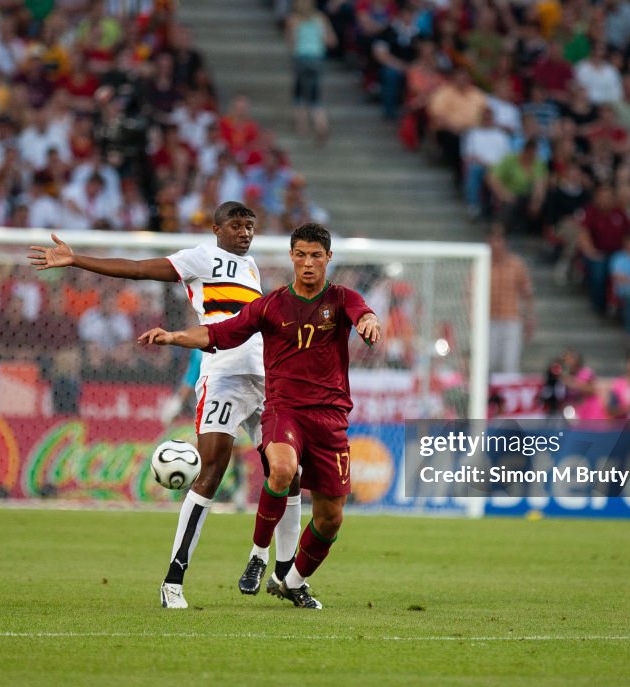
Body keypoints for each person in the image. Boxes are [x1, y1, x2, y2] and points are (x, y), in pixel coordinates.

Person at [28, 201, 303, 610]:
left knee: (290, 472)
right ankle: (173, 579)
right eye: (237, 226)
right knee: (211, 470)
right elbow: (139, 268)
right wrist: (77, 261)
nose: (245, 233)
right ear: (216, 229)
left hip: (265, 379)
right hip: (223, 376)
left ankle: (284, 575)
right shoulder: (201, 257)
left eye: (250, 227)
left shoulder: (252, 269)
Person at [139, 223, 382, 609]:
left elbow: (362, 312)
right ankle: (257, 555)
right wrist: (175, 336)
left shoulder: (342, 299)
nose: (307, 263)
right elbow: (221, 332)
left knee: (331, 517)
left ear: (328, 259)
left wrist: (368, 321)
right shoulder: (272, 305)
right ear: (291, 257)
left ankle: (292, 581)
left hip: (331, 419)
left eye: (316, 255)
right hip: (283, 410)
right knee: (282, 471)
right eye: (300, 254)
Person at [285, 0, 336, 145]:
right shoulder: (321, 19)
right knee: (315, 95)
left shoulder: (293, 19)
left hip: (301, 58)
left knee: (299, 92)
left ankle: (301, 126)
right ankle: (321, 124)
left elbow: (291, 42)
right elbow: (331, 40)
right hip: (317, 59)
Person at [488, 226, 534, 374]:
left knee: (510, 364)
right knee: (488, 362)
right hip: (488, 319)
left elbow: (527, 293)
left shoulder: (516, 265)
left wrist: (530, 318)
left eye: (498, 239)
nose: (495, 244)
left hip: (511, 319)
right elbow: (470, 293)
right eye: (492, 239)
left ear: (505, 242)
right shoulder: (482, 263)